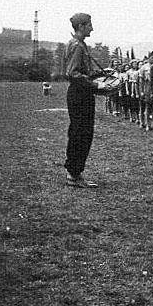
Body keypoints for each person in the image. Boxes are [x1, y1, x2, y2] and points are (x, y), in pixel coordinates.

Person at [64, 12, 106, 188]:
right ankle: (74, 175)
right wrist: (97, 86)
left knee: (81, 133)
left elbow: (82, 71)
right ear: (81, 26)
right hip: (80, 94)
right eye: (89, 25)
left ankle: (75, 172)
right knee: (81, 134)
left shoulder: (79, 44)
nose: (92, 28)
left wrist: (101, 73)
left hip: (81, 93)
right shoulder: (77, 46)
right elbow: (72, 73)